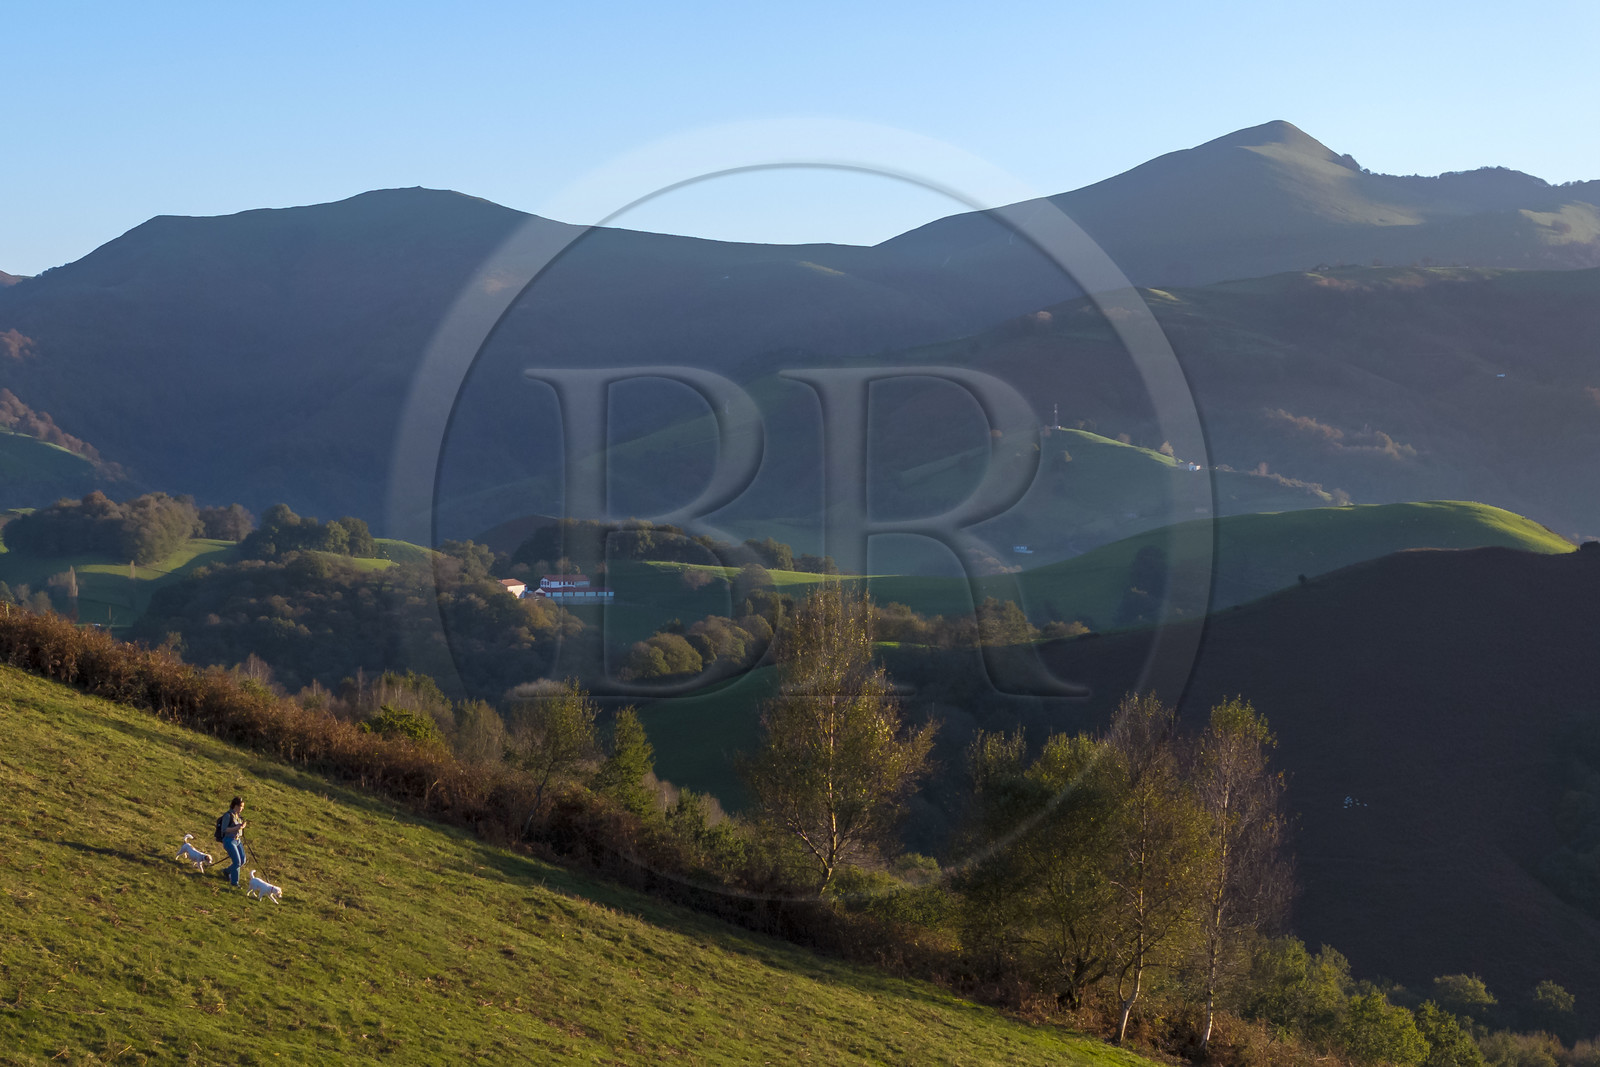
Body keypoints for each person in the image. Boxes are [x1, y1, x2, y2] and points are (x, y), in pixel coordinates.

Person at [219, 796, 248, 887]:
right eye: (241, 806)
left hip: (237, 840)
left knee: (242, 860)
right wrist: (237, 827)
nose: (242, 809)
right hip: (229, 840)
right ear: (235, 805)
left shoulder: (238, 816)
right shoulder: (228, 815)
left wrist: (242, 827)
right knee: (237, 862)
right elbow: (224, 829)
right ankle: (234, 883)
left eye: (243, 807)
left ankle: (226, 871)